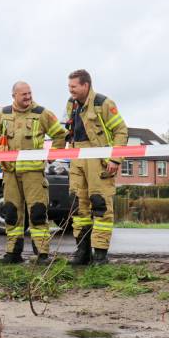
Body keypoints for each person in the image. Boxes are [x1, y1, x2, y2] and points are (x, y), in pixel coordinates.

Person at [0, 81, 66, 264]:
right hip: (10, 172)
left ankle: (42, 254)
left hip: (33, 173)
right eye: (24, 94)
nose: (28, 97)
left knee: (38, 212)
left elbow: (60, 135)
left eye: (30, 93)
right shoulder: (3, 114)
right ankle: (13, 253)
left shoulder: (42, 113)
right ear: (14, 96)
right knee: (11, 212)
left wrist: (52, 155)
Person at [64, 69, 128, 265]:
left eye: (74, 86)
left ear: (86, 85)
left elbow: (121, 131)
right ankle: (82, 252)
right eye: (69, 87)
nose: (70, 90)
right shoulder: (71, 104)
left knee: (100, 205)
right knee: (78, 205)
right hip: (76, 157)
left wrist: (115, 159)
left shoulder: (103, 103)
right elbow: (68, 130)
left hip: (98, 159)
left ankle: (100, 255)